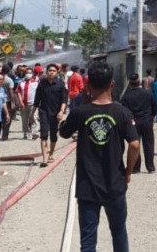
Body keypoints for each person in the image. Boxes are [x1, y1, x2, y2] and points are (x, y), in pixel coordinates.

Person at [59, 61, 139, 252]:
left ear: (87, 85)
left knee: (88, 240)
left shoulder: (80, 112)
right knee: (119, 233)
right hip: (115, 184)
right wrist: (128, 171)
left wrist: (83, 103)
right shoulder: (122, 112)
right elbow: (135, 145)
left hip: (87, 186)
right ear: (112, 84)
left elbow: (63, 132)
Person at [30, 63, 67, 167]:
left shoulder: (60, 85)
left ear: (57, 72)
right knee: (43, 135)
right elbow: (37, 100)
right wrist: (32, 113)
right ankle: (44, 159)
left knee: (53, 135)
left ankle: (51, 154)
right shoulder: (42, 84)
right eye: (50, 70)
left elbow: (64, 99)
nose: (51, 72)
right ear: (47, 72)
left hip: (55, 113)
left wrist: (61, 111)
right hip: (44, 112)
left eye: (53, 71)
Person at [121, 73, 156, 173]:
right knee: (149, 144)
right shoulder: (148, 93)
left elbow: (125, 112)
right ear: (140, 82)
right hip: (147, 122)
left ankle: (136, 167)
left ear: (130, 84)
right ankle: (150, 167)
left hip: (133, 123)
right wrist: (152, 117)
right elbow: (154, 106)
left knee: (135, 145)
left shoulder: (127, 97)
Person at [17, 67, 39, 139]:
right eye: (27, 73)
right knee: (24, 119)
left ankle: (35, 132)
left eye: (30, 73)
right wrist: (21, 102)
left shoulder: (36, 83)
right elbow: (18, 92)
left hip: (33, 104)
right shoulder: (21, 83)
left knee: (34, 117)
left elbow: (39, 93)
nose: (28, 74)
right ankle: (25, 133)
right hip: (24, 104)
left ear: (32, 74)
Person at [0, 64, 15, 141]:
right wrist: (13, 102)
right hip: (7, 101)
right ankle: (5, 136)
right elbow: (11, 92)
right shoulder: (9, 80)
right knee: (7, 118)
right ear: (9, 70)